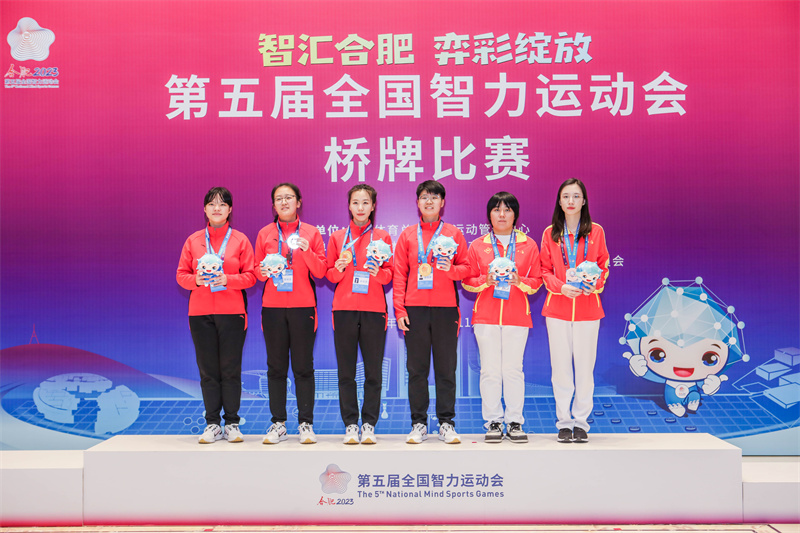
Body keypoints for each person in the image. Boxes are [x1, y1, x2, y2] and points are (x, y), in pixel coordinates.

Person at [393, 180, 471, 445]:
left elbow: (467, 269)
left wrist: (451, 269)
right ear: (417, 202)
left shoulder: (453, 234)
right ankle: (419, 424)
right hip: (414, 310)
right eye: (424, 197)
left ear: (442, 202)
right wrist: (400, 309)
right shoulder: (407, 235)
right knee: (417, 370)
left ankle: (446, 423)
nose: (429, 201)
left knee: (446, 369)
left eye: (434, 197)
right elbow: (399, 275)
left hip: (446, 309)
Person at [176, 187, 256, 444]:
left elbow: (251, 276)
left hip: (232, 313)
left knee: (230, 370)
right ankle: (212, 424)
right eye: (212, 204)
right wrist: (197, 280)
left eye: (222, 204)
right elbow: (181, 275)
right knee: (208, 370)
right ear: (205, 209)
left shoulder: (240, 240)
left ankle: (232, 423)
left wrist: (228, 279)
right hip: (200, 314)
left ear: (230, 209)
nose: (217, 208)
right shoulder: (193, 240)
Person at [462, 192, 542, 443]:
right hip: (485, 317)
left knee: (513, 370)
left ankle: (515, 421)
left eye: (507, 210)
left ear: (515, 215)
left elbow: (537, 280)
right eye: (497, 210)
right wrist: (484, 280)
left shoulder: (529, 245)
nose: (502, 215)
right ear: (489, 215)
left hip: (517, 316)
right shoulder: (477, 245)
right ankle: (493, 421)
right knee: (489, 371)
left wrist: (520, 281)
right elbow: (466, 281)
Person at [254, 183, 327, 445]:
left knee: (303, 367)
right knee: (276, 368)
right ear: (273, 205)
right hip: (272, 309)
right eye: (279, 199)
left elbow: (321, 271)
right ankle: (278, 423)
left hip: (303, 308)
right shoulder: (265, 233)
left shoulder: (311, 233)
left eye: (289, 197)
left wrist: (307, 251)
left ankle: (306, 423)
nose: (284, 202)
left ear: (299, 202)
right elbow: (256, 271)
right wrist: (264, 270)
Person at [540, 178, 609, 443]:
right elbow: (544, 270)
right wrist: (561, 287)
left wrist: (594, 285)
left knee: (584, 369)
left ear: (584, 201)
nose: (571, 201)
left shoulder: (596, 231)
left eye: (576, 196)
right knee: (560, 370)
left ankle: (581, 422)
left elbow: (603, 265)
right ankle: (564, 422)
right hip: (557, 309)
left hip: (588, 309)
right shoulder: (550, 233)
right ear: (559, 201)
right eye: (566, 196)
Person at [326, 185, 394, 445]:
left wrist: (379, 272)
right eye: (356, 202)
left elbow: (390, 275)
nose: (361, 207)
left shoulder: (382, 237)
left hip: (374, 310)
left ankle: (368, 424)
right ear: (349, 206)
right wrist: (339, 268)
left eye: (366, 202)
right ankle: (351, 425)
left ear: (373, 206)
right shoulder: (337, 237)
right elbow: (329, 275)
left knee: (373, 372)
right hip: (343, 310)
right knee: (346, 372)